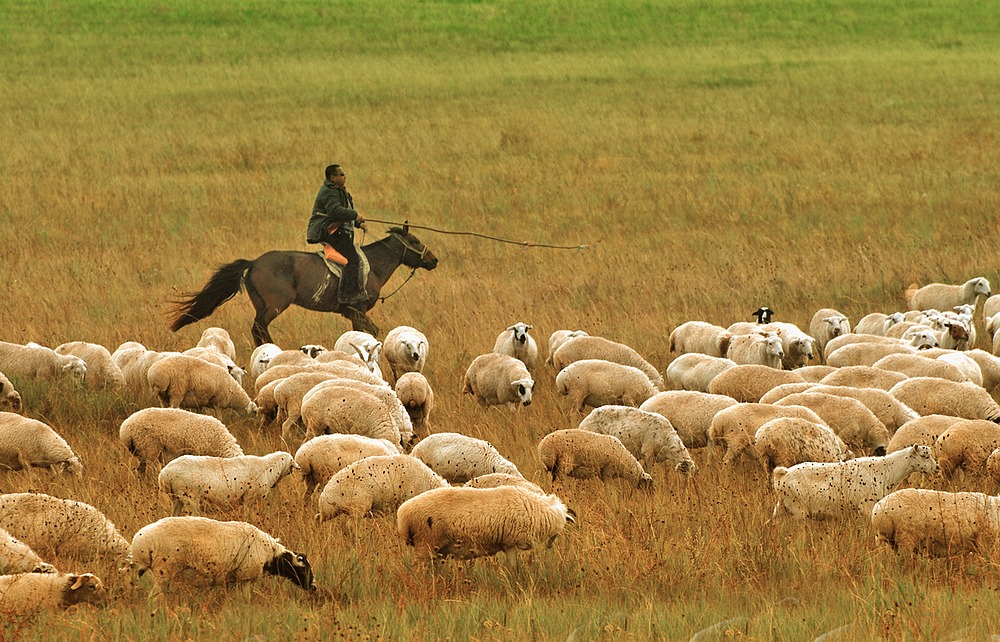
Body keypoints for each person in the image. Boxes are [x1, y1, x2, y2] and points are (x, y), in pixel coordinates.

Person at [307, 164, 368, 306]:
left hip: (335, 228)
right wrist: (355, 215)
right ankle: (347, 295)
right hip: (327, 230)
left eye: (344, 174)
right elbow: (335, 211)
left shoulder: (338, 190)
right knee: (353, 260)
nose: (344, 176)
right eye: (341, 174)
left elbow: (343, 212)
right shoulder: (329, 192)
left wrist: (358, 223)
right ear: (332, 177)